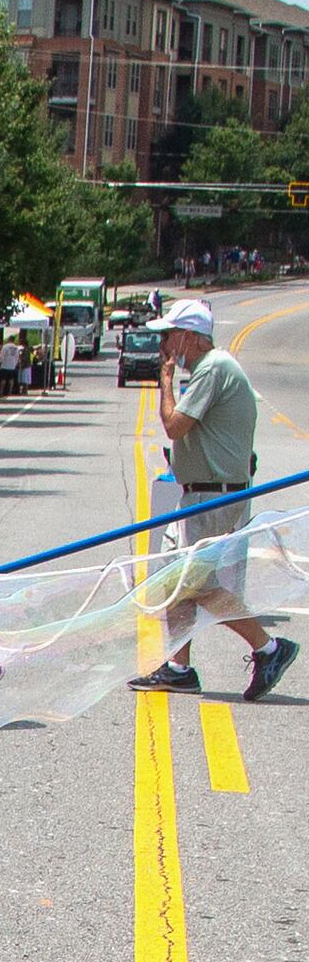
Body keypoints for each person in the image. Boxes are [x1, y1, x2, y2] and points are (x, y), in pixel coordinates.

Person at [140, 295, 295, 696]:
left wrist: (166, 381)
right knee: (177, 581)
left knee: (192, 584)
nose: (166, 346)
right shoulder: (212, 369)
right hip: (204, 492)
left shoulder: (212, 368)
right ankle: (178, 667)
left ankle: (269, 647)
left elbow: (175, 425)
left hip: (214, 496)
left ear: (190, 337)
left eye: (170, 336)